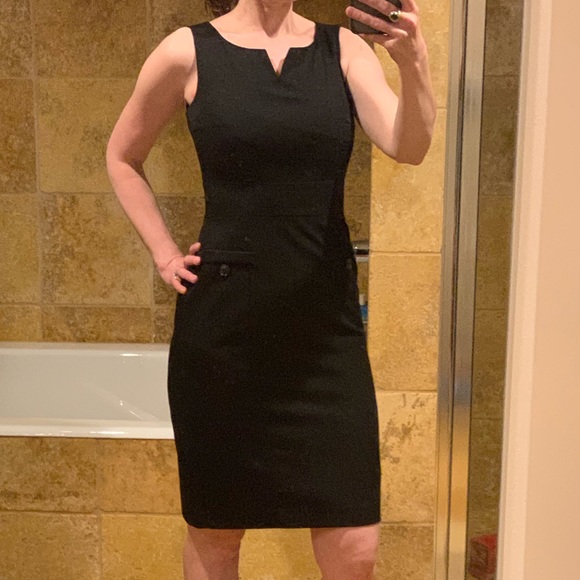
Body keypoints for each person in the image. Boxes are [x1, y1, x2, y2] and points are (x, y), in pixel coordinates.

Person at [106, 0, 436, 577]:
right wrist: (164, 253)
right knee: (217, 532)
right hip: (224, 334)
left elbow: (409, 146)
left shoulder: (343, 51)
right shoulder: (187, 51)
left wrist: (414, 63)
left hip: (326, 333)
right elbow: (122, 156)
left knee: (356, 543)